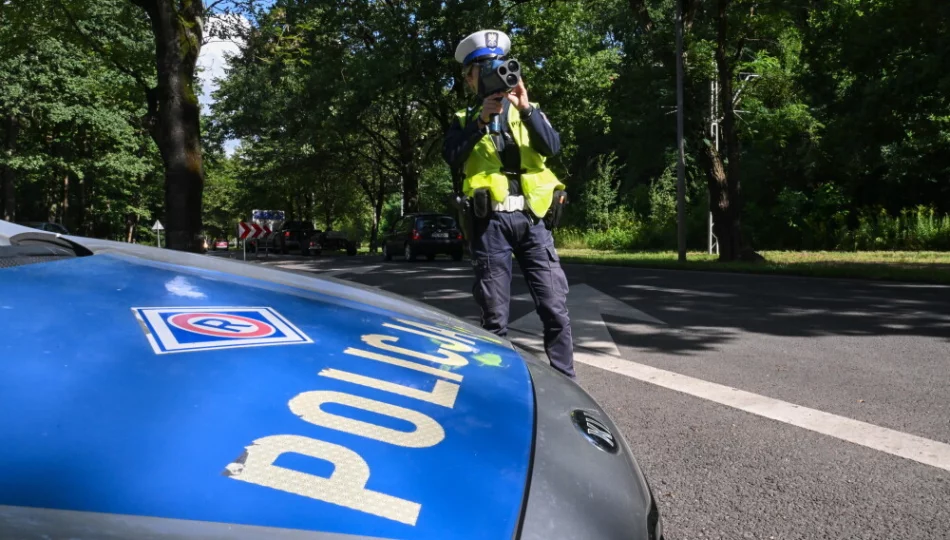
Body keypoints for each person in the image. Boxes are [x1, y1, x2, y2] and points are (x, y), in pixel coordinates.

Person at [442, 29, 575, 379]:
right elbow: (452, 157)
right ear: (470, 80)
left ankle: (565, 380)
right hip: (490, 224)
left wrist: (526, 107)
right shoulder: (462, 120)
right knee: (494, 314)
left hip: (534, 219)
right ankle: (497, 384)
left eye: (499, 68)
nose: (493, 77)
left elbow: (553, 148)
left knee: (554, 307)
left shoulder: (531, 112)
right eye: (483, 71)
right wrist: (481, 122)